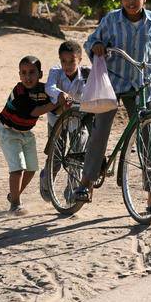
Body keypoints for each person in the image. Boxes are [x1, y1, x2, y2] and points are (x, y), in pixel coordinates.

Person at [74, 0, 151, 211]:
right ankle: (86, 183)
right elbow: (91, 42)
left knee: (149, 138)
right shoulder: (111, 19)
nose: (131, 1)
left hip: (141, 83)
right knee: (100, 131)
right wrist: (97, 47)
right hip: (111, 84)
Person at [0, 56, 59, 215]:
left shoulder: (44, 90)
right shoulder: (19, 91)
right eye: (23, 73)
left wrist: (62, 99)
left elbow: (54, 104)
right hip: (8, 131)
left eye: (32, 72)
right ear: (19, 75)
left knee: (31, 169)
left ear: (40, 74)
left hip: (26, 133)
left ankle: (14, 195)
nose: (28, 77)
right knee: (17, 169)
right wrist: (56, 102)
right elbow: (35, 111)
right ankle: (15, 205)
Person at [39, 41, 90, 202]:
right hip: (57, 120)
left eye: (72, 61)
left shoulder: (88, 74)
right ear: (59, 60)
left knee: (77, 156)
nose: (67, 65)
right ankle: (46, 181)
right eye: (64, 61)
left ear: (80, 60)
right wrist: (61, 94)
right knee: (56, 156)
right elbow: (49, 87)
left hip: (79, 121)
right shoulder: (56, 71)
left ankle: (72, 193)